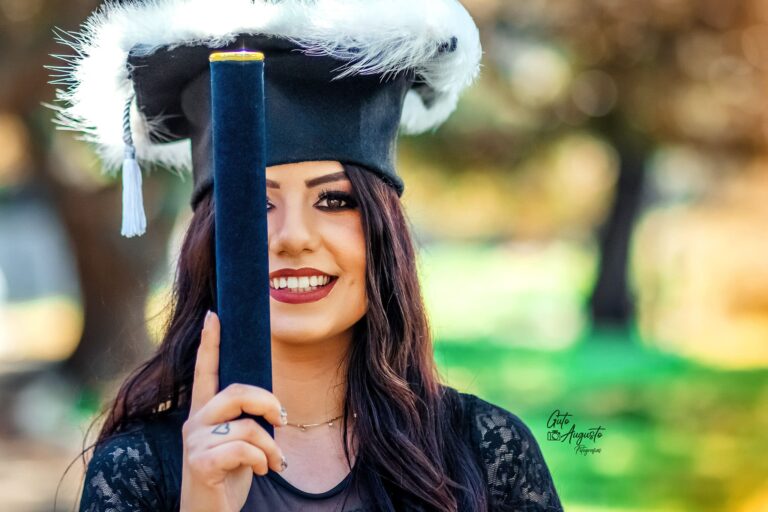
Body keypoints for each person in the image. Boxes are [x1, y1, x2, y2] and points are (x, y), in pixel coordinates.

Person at [51, 1, 564, 511]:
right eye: (258, 201)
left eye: (334, 200)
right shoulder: (137, 472)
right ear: (209, 240)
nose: (293, 237)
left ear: (383, 232)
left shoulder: (489, 456)